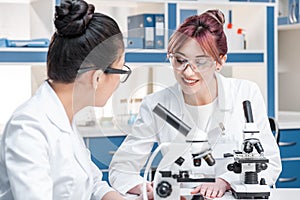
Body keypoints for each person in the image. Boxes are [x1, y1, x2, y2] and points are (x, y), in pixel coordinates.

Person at [109, 9, 282, 199]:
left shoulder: (245, 94)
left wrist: (225, 181)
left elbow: (271, 163)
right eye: (180, 60)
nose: (188, 72)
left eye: (200, 62)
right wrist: (145, 188)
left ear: (220, 61)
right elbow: (121, 168)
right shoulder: (157, 104)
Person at [0, 0, 130, 199]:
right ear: (96, 78)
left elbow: (92, 183)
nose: (119, 81)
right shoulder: (28, 128)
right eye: (120, 70)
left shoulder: (64, 118)